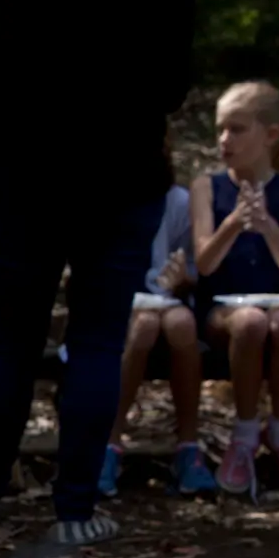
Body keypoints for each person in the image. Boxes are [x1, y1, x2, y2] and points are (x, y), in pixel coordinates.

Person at [0, 0, 195, 545]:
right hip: (124, 181)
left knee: (14, 342)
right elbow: (174, 87)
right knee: (99, 342)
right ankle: (75, 510)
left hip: (27, 179)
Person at [190, 82, 279, 497]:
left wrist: (266, 224)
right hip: (221, 309)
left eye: (237, 129)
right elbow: (205, 265)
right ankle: (244, 434)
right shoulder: (206, 187)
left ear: (271, 135)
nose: (225, 140)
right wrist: (233, 223)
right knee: (249, 324)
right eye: (220, 130)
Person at [99, 180, 216, 497]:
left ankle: (188, 449)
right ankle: (108, 444)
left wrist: (182, 280)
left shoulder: (177, 201)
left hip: (165, 301)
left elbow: (194, 273)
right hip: (117, 303)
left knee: (182, 325)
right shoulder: (103, 195)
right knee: (144, 328)